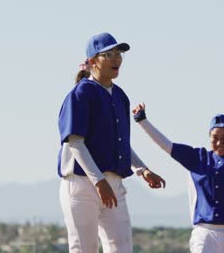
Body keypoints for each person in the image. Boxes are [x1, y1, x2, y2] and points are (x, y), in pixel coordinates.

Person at [57, 32, 166, 253]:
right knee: (83, 249)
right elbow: (75, 143)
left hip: (113, 182)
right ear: (92, 62)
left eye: (119, 54)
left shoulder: (120, 96)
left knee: (122, 248)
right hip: (81, 183)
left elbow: (121, 144)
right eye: (108, 54)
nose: (116, 58)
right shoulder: (80, 94)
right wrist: (98, 181)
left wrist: (142, 170)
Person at [132, 104, 224, 253]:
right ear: (209, 137)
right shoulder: (198, 158)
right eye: (214, 138)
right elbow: (166, 145)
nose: (219, 143)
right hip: (205, 233)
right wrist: (142, 121)